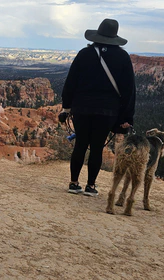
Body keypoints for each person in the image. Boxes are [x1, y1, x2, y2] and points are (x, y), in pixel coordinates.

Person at [59, 18, 136, 197]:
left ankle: (73, 183)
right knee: (96, 147)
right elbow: (129, 90)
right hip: (107, 111)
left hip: (82, 108)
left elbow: (70, 83)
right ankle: (91, 186)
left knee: (80, 145)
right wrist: (127, 117)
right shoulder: (123, 57)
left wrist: (67, 107)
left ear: (97, 35)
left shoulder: (84, 54)